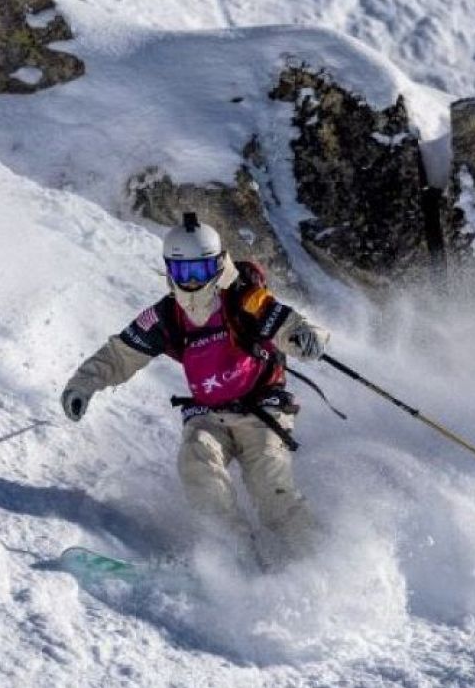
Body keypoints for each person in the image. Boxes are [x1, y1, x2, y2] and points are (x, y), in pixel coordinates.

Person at [61, 212, 330, 569]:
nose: (190, 283)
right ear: (169, 270)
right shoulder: (166, 316)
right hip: (208, 412)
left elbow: (290, 325)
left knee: (269, 484)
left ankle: (318, 561)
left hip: (261, 410)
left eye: (199, 273)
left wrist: (308, 338)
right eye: (182, 273)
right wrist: (83, 383)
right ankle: (235, 558)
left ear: (217, 267)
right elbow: (121, 352)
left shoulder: (244, 300)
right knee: (197, 461)